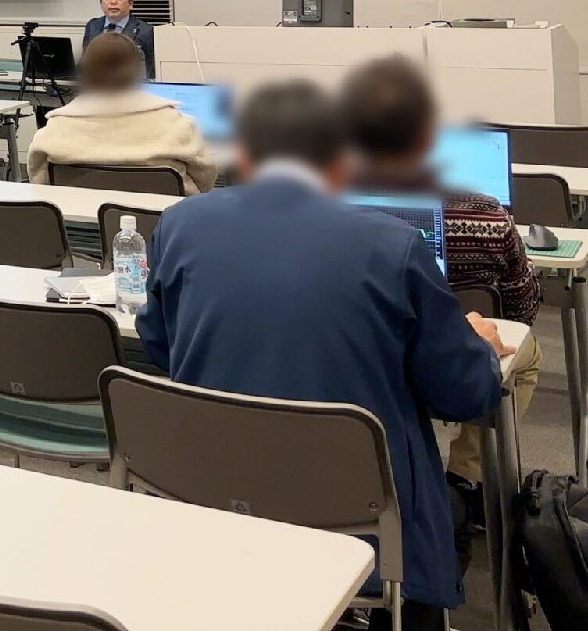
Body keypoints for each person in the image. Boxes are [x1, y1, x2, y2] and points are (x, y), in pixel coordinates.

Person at [138, 81, 510, 629]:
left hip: (213, 494)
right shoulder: (394, 246)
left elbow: (160, 345)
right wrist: (480, 349)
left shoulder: (179, 224)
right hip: (362, 520)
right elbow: (464, 394)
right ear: (341, 164)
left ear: (244, 157)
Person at [342, 55, 541, 530]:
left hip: (360, 355)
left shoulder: (328, 208)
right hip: (451, 363)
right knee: (524, 351)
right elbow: (521, 308)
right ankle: (467, 476)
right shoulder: (485, 212)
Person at [26, 33, 215, 193]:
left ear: (85, 68)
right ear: (138, 69)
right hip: (162, 223)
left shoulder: (55, 128)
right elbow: (205, 181)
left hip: (79, 224)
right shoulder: (177, 123)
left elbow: (39, 181)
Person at [82, 0, 155, 76]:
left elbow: (151, 70)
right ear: (101, 3)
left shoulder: (146, 31)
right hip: (97, 83)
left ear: (131, 3)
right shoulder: (93, 26)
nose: (113, 1)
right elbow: (85, 63)